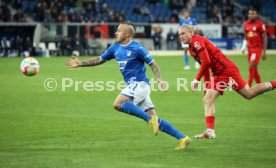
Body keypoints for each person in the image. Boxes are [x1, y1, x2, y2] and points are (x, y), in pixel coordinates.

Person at [66, 22, 191, 150]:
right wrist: (80, 63)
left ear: (127, 34)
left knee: (118, 104)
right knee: (155, 118)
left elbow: (153, 64)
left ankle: (148, 120)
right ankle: (183, 138)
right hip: (135, 87)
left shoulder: (137, 48)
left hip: (140, 85)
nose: (116, 33)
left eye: (119, 31)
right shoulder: (115, 48)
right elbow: (99, 59)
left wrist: (159, 80)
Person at [178, 25, 276, 139]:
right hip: (218, 73)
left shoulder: (196, 42)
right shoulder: (191, 47)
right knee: (207, 99)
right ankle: (210, 131)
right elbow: (205, 66)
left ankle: (274, 83)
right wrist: (206, 85)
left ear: (190, 33)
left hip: (227, 71)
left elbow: (206, 62)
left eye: (183, 33)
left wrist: (196, 80)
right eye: (179, 34)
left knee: (249, 94)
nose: (181, 36)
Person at [241, 9, 267, 87]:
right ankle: (260, 86)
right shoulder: (246, 23)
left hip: (257, 49)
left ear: (256, 15)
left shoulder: (260, 24)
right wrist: (243, 47)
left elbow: (265, 37)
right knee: (254, 69)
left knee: (252, 66)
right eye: (249, 14)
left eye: (253, 14)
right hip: (250, 49)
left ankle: (248, 85)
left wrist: (264, 51)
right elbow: (246, 36)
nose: (251, 15)